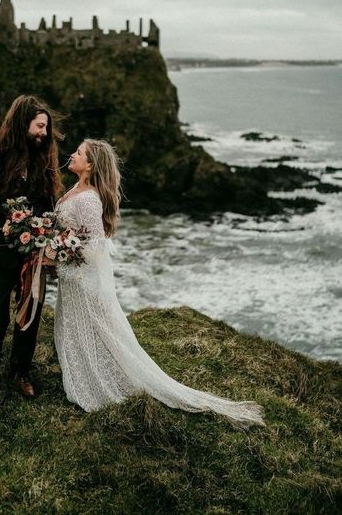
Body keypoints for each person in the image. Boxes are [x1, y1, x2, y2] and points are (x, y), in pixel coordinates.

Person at [54, 139, 265, 429]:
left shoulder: (89, 198)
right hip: (71, 275)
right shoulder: (76, 189)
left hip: (82, 277)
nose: (73, 155)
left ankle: (102, 380)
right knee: (78, 326)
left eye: (79, 153)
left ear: (90, 165)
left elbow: (95, 243)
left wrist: (62, 249)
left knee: (98, 330)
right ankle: (80, 371)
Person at [0, 95, 63, 405]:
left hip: (33, 257)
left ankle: (20, 373)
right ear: (22, 124)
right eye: (40, 126)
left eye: (46, 127)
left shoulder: (42, 159)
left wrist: (48, 244)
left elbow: (47, 206)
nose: (45, 133)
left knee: (29, 316)